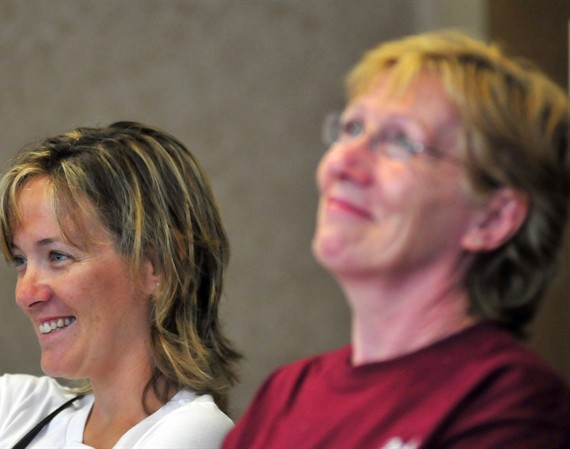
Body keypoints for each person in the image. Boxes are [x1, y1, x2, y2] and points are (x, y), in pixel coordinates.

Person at [222, 30, 570, 449]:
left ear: (493, 219)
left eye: (400, 141)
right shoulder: (285, 395)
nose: (343, 162)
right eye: (351, 128)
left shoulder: (512, 403)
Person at [0, 121, 241, 449]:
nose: (25, 295)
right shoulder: (7, 408)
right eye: (21, 261)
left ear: (156, 266)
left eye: (58, 256)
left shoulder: (198, 431)